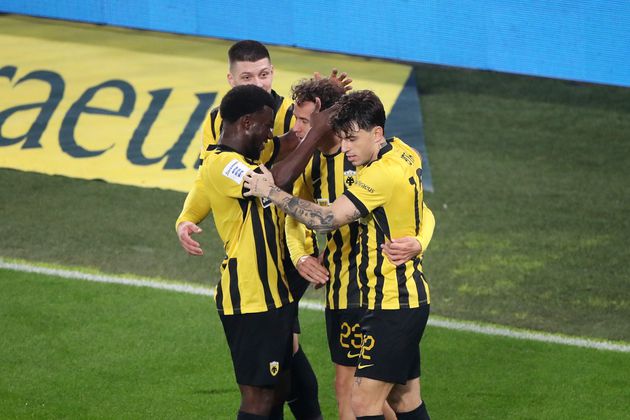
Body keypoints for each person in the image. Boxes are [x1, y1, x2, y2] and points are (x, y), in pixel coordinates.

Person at [177, 39, 349, 420]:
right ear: (246, 123)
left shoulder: (255, 143)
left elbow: (285, 145)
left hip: (277, 286)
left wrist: (327, 105)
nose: (273, 134)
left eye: (264, 73)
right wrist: (317, 131)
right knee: (260, 399)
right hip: (252, 295)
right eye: (267, 129)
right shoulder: (226, 163)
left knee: (289, 383)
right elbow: (275, 181)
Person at [244, 90, 432, 420]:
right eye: (343, 139)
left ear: (377, 133)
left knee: (363, 403)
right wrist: (420, 240)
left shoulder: (379, 175)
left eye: (353, 139)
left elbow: (326, 219)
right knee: (404, 399)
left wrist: (270, 191)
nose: (346, 148)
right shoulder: (405, 152)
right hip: (398, 297)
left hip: (391, 301)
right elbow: (422, 209)